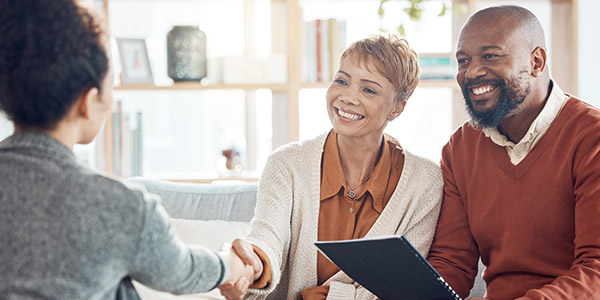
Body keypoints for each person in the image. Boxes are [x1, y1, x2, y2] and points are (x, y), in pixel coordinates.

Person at [0, 0, 255, 299]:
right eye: (111, 86)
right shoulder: (118, 206)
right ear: (88, 101)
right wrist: (232, 263)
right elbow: (184, 272)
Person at [219, 34, 444, 300]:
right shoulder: (286, 165)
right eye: (341, 81)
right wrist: (253, 264)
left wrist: (331, 296)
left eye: (368, 89)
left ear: (397, 108)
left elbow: (403, 288)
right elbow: (267, 235)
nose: (347, 97)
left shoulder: (426, 182)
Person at [426, 5, 600, 300]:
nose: (472, 72)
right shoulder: (460, 148)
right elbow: (453, 262)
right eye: (463, 61)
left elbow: (596, 269)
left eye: (490, 56)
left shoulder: (591, 138)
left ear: (536, 61)